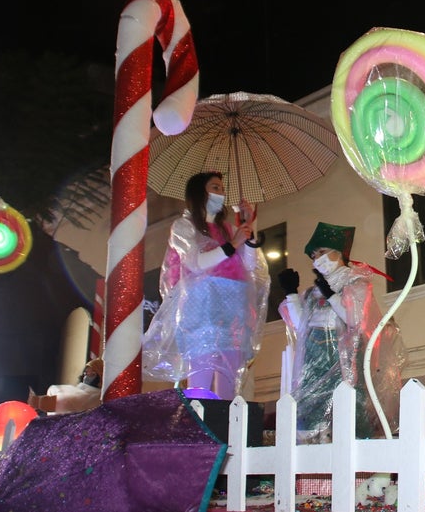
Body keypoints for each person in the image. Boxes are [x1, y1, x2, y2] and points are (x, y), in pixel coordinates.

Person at [143, 171, 271, 400]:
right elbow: (195, 263)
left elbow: (250, 266)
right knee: (201, 372)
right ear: (199, 192)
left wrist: (249, 227)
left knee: (229, 375)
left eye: (222, 189)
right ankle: (198, 418)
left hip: (234, 306)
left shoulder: (228, 229)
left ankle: (226, 419)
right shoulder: (184, 226)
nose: (221, 194)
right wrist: (233, 244)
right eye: (215, 188)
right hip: (201, 305)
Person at [278, 222, 406, 443]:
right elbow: (302, 325)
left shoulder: (355, 281)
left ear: (339, 252)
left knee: (347, 411)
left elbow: (353, 318)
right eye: (313, 256)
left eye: (322, 252)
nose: (317, 259)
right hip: (314, 357)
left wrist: (331, 295)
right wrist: (291, 294)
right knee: (312, 413)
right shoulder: (315, 290)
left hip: (343, 357)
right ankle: (316, 458)